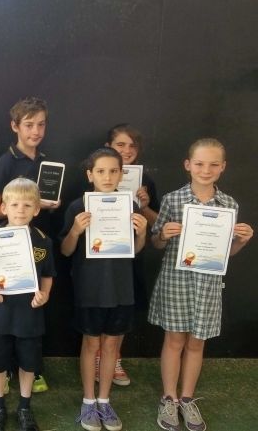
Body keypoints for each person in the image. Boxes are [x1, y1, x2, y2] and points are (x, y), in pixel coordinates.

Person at [149, 138, 253, 431]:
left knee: (196, 343)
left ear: (222, 167)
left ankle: (186, 398)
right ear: (188, 165)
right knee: (174, 340)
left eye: (213, 164)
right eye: (199, 164)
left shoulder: (228, 205)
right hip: (176, 281)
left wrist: (241, 241)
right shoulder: (172, 200)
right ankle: (169, 398)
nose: (205, 170)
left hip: (208, 285)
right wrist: (163, 234)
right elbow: (156, 243)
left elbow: (225, 254)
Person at [60, 148, 147, 431]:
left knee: (111, 346)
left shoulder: (130, 206)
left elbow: (136, 250)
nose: (107, 177)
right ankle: (89, 401)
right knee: (91, 344)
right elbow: (65, 250)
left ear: (121, 174)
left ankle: (104, 400)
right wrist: (75, 230)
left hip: (121, 290)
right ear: (90, 175)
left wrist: (142, 233)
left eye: (113, 171)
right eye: (100, 171)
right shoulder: (77, 207)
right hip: (90, 289)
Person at [0, 96, 59, 394]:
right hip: (8, 249)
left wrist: (47, 206)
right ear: (15, 126)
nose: (36, 131)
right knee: (7, 313)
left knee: (34, 308)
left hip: (38, 245)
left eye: (41, 124)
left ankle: (32, 369)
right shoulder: (4, 163)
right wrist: (29, 205)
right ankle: (5, 372)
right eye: (29, 125)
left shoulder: (48, 163)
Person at [0, 178, 55, 431]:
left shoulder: (43, 241)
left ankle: (25, 407)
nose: (20, 210)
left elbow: (48, 275)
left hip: (29, 312)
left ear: (37, 209)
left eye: (27, 205)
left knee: (28, 362)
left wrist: (45, 295)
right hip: (0, 311)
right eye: (14, 204)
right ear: (3, 208)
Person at [95, 123, 160, 387]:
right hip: (100, 258)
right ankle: (97, 358)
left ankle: (114, 357)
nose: (127, 150)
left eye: (132, 145)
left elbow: (157, 223)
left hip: (131, 256)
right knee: (99, 306)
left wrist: (144, 206)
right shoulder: (97, 173)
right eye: (120, 144)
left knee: (123, 309)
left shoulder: (145, 181)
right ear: (109, 147)